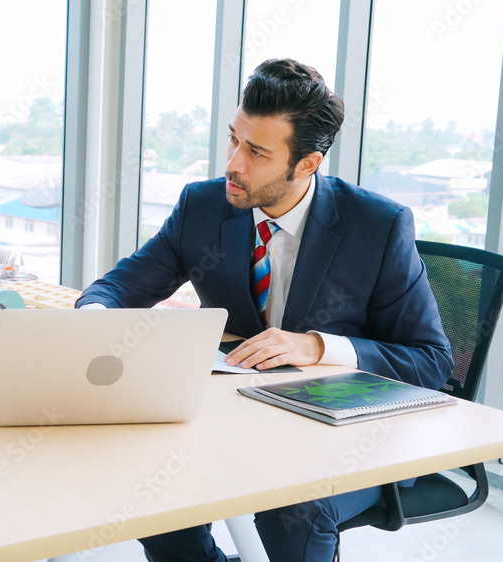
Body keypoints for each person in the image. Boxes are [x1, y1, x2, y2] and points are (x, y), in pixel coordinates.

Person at [75, 59, 454, 561]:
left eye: (256, 152)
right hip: (243, 421)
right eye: (233, 139)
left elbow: (431, 360)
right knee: (154, 481)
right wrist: (93, 324)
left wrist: (317, 346)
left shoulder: (377, 227)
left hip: (350, 438)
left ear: (307, 164)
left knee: (290, 504)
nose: (233, 162)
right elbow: (120, 287)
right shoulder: (203, 206)